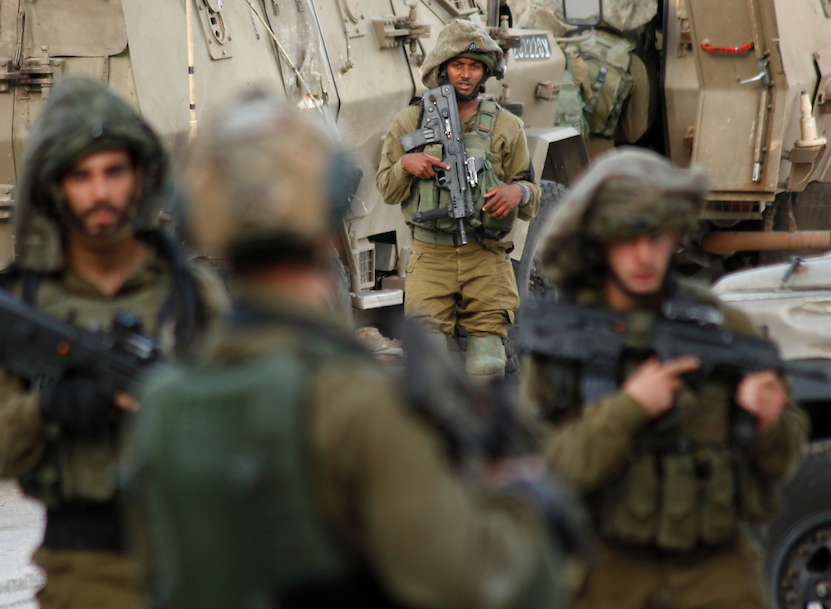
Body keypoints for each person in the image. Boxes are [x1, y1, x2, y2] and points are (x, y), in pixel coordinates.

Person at [127, 95, 570, 609]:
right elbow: (472, 584)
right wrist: (523, 500)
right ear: (328, 226)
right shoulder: (361, 404)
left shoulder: (161, 408)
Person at [0, 78, 218, 609]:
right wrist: (49, 408)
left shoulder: (191, 295)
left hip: (202, 556)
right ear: (56, 188)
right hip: (89, 562)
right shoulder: (29, 301)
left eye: (114, 172)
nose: (100, 193)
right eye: (82, 176)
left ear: (140, 179)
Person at [524, 148, 810, 609]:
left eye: (658, 237)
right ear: (599, 241)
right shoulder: (567, 340)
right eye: (628, 238)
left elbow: (783, 462)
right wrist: (630, 407)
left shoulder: (723, 329)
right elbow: (546, 473)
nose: (644, 255)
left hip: (716, 572)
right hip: (606, 571)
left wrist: (769, 421)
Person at [376, 19, 540, 378]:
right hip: (431, 256)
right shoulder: (409, 122)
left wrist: (518, 191)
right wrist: (406, 163)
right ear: (442, 69)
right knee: (429, 371)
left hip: (486, 256)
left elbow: (533, 197)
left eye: (475, 66)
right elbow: (387, 189)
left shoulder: (505, 125)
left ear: (485, 73)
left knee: (487, 365)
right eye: (458, 65)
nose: (466, 74)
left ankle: (483, 432)